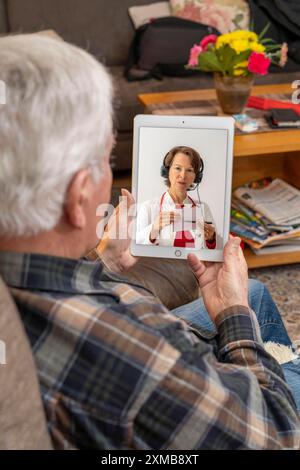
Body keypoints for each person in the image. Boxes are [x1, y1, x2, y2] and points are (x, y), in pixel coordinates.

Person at [0, 34, 299, 450]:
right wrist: (232, 314)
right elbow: (277, 435)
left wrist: (103, 260)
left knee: (255, 292)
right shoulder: (131, 341)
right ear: (79, 195)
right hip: (241, 416)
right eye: (107, 159)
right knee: (258, 330)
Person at [136, 146, 218, 249]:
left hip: (191, 265)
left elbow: (217, 250)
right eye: (178, 168)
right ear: (167, 171)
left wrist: (211, 239)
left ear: (196, 177)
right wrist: (154, 229)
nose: (183, 175)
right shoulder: (148, 208)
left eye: (189, 170)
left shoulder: (203, 208)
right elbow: (134, 248)